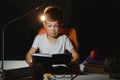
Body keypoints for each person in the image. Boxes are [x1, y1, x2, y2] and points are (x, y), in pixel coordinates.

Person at [26, 6, 79, 80]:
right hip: (43, 71)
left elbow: (76, 55)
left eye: (56, 26)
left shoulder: (64, 38)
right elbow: (29, 55)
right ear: (44, 24)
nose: (53, 29)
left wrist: (68, 63)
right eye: (49, 26)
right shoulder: (39, 38)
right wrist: (30, 61)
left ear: (61, 25)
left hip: (60, 71)